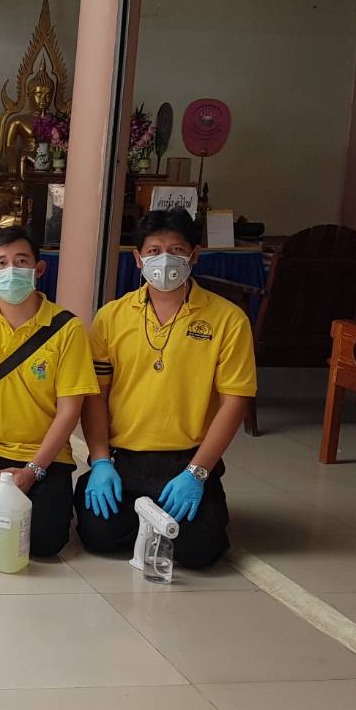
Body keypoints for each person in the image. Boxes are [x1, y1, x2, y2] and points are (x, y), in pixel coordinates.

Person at [74, 208, 257, 569]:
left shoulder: (228, 319)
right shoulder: (111, 317)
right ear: (137, 258)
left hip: (186, 460)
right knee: (98, 535)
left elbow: (235, 401)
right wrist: (100, 460)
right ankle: (143, 512)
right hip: (125, 459)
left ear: (194, 255)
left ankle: (183, 508)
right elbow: (96, 395)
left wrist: (197, 472)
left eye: (176, 250)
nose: (165, 260)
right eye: (154, 251)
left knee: (197, 552)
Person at [0, 227, 98, 554]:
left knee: (45, 541)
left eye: (21, 261)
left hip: (44, 455)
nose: (11, 270)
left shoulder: (68, 329)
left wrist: (33, 471)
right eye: (1, 263)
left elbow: (69, 411)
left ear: (39, 269)